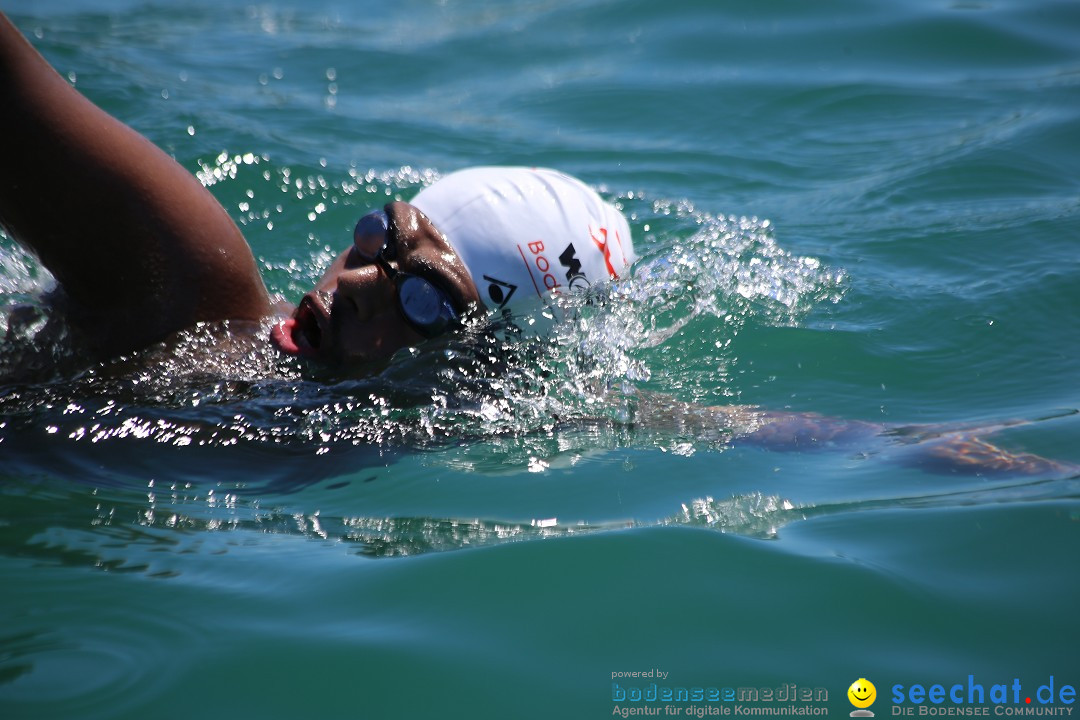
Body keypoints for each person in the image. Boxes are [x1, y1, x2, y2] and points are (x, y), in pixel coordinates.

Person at [0, 13, 1071, 477]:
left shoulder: (452, 426)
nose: (364, 284)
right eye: (383, 237)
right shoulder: (190, 280)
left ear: (483, 366)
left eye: (425, 302)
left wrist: (993, 461)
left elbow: (723, 426)